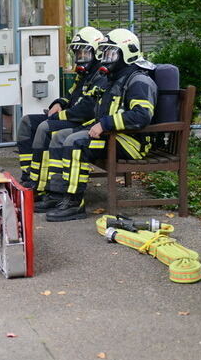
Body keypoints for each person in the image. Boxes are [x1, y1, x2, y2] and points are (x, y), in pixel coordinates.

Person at [41, 28, 157, 222]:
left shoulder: (139, 80)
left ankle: (74, 202)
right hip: (111, 135)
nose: (105, 58)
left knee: (75, 142)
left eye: (111, 53)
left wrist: (105, 124)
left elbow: (141, 115)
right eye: (104, 53)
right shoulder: (115, 78)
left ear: (126, 54)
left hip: (130, 142)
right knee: (61, 136)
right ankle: (57, 194)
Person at [15, 26, 105, 194]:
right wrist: (58, 103)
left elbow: (87, 110)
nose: (81, 57)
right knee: (27, 122)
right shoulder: (84, 74)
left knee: (45, 128)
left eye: (85, 53)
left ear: (97, 53)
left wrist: (59, 116)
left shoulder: (101, 76)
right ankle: (28, 175)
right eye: (78, 53)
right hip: (68, 116)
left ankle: (40, 184)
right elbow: (70, 96)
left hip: (82, 122)